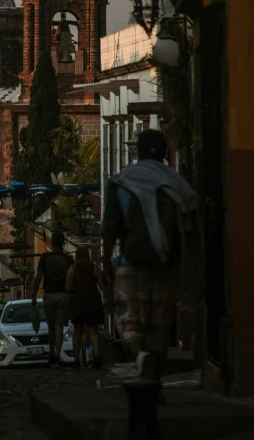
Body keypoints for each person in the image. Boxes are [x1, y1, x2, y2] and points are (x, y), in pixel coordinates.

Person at [102, 129, 203, 382]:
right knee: (159, 330)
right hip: (167, 267)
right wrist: (200, 273)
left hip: (131, 265)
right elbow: (191, 235)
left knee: (129, 324)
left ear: (138, 151)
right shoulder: (178, 184)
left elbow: (111, 227)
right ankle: (154, 385)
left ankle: (139, 358)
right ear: (166, 152)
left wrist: (105, 259)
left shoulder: (123, 181)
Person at [31, 230, 74, 368]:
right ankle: (57, 355)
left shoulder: (45, 258)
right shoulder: (68, 259)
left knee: (51, 327)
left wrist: (33, 293)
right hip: (63, 296)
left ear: (51, 242)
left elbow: (38, 277)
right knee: (59, 327)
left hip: (49, 295)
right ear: (63, 243)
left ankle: (51, 354)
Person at [65, 245, 105, 369]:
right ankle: (97, 356)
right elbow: (102, 286)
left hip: (78, 304)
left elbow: (67, 288)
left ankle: (76, 359)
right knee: (93, 331)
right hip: (93, 303)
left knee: (77, 331)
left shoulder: (72, 269)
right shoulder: (95, 268)